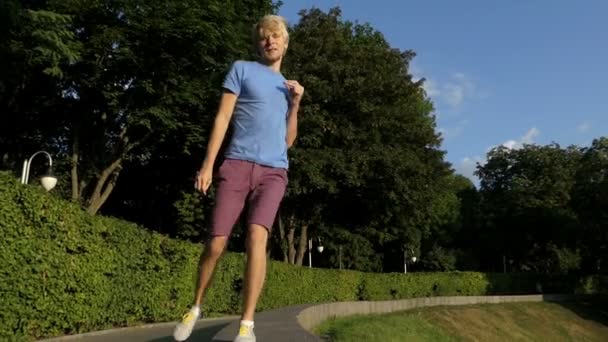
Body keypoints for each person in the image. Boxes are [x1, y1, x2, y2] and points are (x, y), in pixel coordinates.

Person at [173, 14, 303, 342]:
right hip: (237, 164)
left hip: (274, 171)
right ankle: (196, 305)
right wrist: (207, 164)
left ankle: (247, 325)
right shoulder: (241, 69)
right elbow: (223, 115)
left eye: (275, 36)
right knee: (216, 243)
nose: (270, 41)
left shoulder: (288, 88)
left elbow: (288, 141)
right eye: (264, 37)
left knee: (257, 239)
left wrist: (297, 104)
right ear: (258, 43)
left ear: (285, 43)